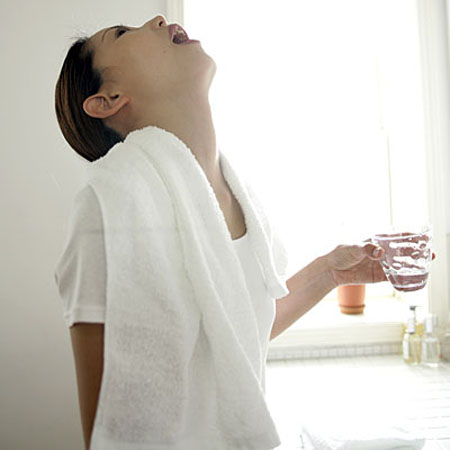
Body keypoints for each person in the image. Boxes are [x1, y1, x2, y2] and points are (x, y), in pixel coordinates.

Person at [54, 13, 435, 450]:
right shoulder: (110, 204)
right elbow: (109, 428)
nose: (157, 19)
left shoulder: (237, 195)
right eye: (120, 34)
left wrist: (330, 271)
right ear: (109, 99)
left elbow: (233, 333)